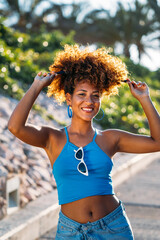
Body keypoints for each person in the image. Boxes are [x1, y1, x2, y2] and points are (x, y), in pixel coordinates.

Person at [8, 44, 160, 240]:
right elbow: (15, 127)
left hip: (113, 228)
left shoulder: (110, 139)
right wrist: (36, 86)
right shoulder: (52, 138)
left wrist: (145, 99)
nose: (89, 101)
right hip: (70, 231)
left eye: (95, 96)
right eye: (82, 94)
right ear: (69, 99)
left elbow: (157, 142)